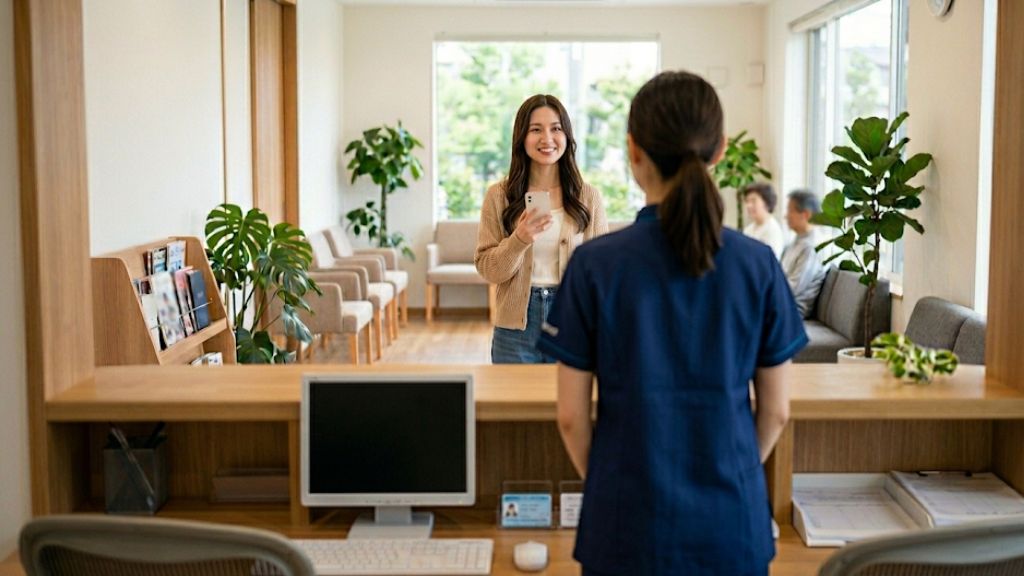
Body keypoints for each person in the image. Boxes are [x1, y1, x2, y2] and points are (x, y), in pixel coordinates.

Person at [537, 71, 806, 576]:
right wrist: (737, 474)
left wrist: (611, 487)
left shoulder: (595, 266)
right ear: (720, 149)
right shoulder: (757, 265)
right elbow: (775, 412)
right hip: (732, 527)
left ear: (633, 151)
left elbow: (572, 417)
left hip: (624, 528)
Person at [475, 94, 607, 364]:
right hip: (515, 330)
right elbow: (489, 269)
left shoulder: (588, 197)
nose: (547, 138)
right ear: (521, 138)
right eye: (536, 129)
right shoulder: (499, 196)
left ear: (567, 136)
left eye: (556, 128)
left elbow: (602, 272)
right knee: (513, 406)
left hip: (572, 325)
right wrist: (519, 239)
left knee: (569, 406)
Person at [781, 189, 827, 318]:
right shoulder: (796, 241)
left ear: (805, 214)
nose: (786, 216)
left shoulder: (812, 246)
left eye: (790, 211)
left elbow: (793, 289)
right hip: (781, 304)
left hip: (792, 310)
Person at [742, 182, 785, 258]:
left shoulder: (772, 230)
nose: (748, 205)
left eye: (753, 201)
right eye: (747, 201)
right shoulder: (749, 228)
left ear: (766, 202)